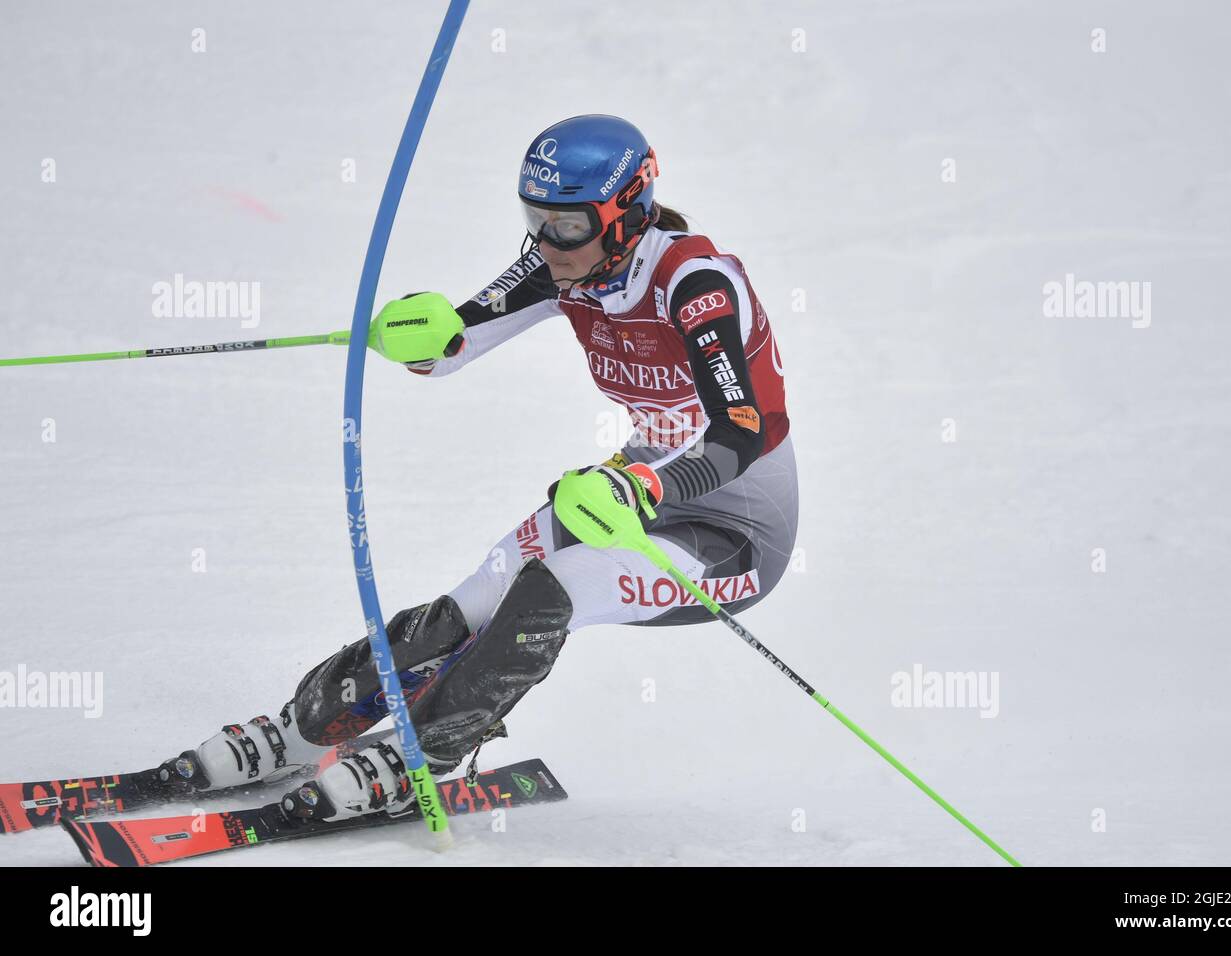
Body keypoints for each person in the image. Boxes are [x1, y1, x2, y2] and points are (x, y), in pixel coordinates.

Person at [156, 114, 799, 821]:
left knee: (548, 590)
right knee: (475, 600)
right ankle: (303, 729)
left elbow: (742, 430)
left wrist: (649, 483)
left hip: (733, 529)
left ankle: (416, 760)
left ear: (625, 215)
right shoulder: (567, 264)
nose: (547, 242)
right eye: (536, 219)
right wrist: (418, 336)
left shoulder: (696, 284)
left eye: (568, 225)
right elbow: (456, 341)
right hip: (632, 489)